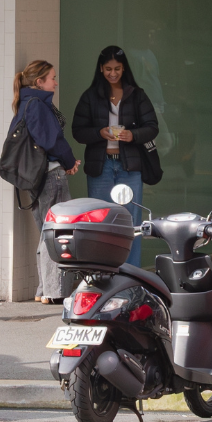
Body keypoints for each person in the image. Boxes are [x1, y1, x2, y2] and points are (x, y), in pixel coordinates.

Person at [72, 46, 161, 266]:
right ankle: (103, 271)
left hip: (129, 166)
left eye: (117, 69)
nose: (113, 73)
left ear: (124, 69)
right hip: (100, 166)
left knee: (131, 223)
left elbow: (152, 127)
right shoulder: (90, 96)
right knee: (99, 220)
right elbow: (77, 131)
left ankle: (130, 272)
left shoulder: (137, 94)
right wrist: (99, 133)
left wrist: (133, 135)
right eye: (108, 69)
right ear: (101, 69)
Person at [11, 59, 81, 303]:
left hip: (36, 177)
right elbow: (52, 140)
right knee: (57, 232)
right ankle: (53, 291)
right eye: (52, 78)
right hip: (51, 174)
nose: (56, 82)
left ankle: (44, 290)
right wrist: (69, 161)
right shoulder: (38, 105)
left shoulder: (24, 103)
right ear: (39, 82)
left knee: (45, 232)